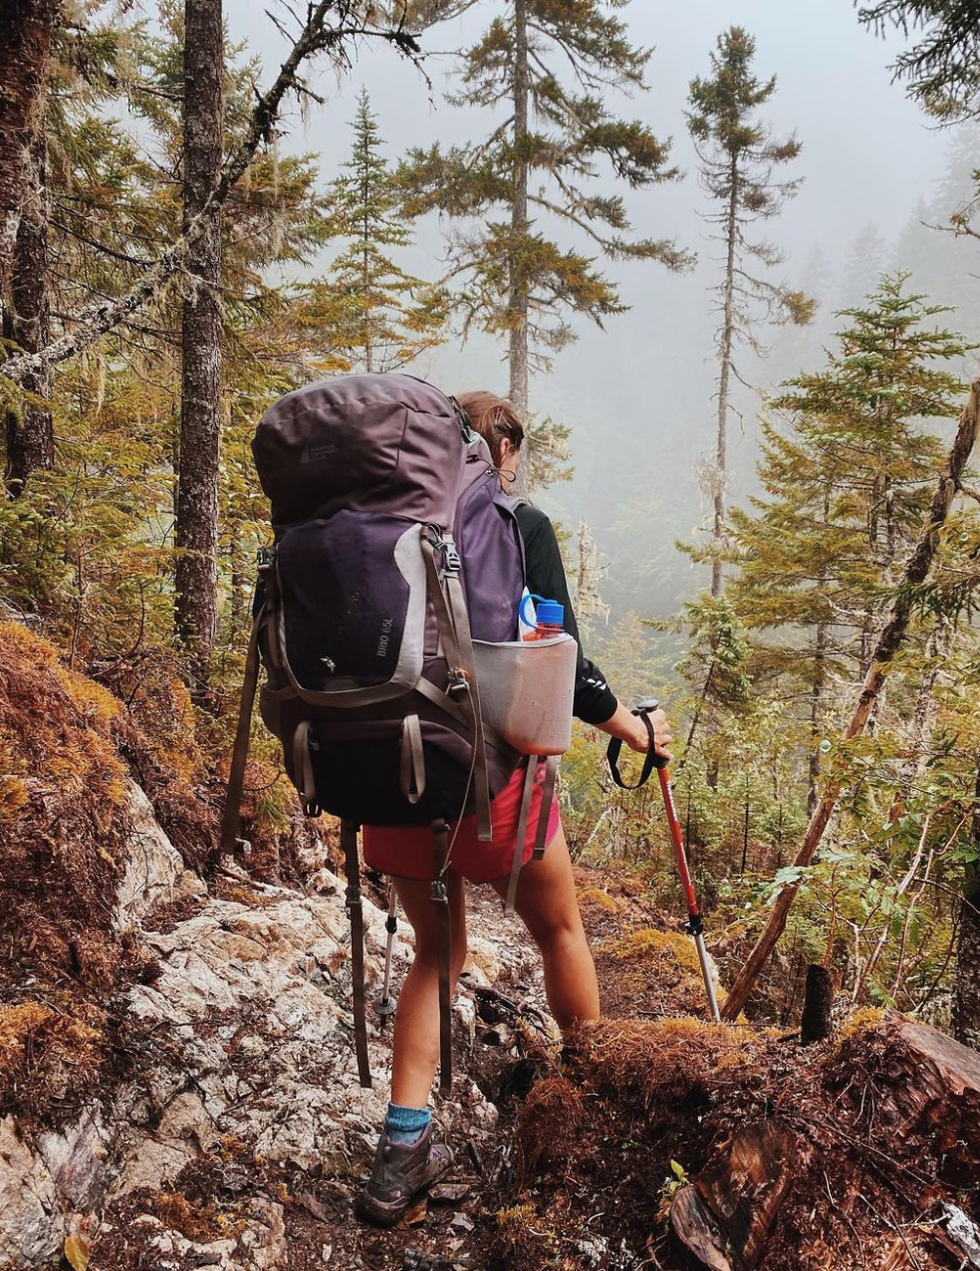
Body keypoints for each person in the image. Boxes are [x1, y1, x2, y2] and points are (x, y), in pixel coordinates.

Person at [354, 391, 672, 1226]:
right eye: (511, 448)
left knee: (438, 953)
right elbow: (562, 666)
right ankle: (593, 1094)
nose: (513, 464)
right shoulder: (514, 525)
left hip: (389, 786)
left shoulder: (379, 526)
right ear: (497, 450)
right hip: (491, 793)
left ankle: (401, 1154)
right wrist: (633, 728)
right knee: (559, 929)